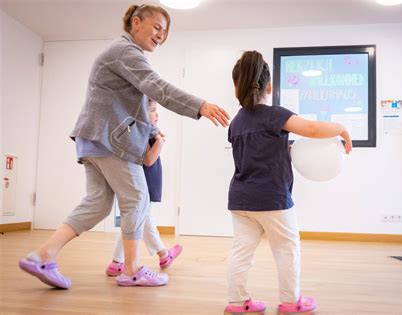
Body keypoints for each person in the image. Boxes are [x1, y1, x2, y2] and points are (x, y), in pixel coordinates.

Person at [19, 4, 229, 289]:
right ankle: (132, 269)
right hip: (107, 140)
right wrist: (200, 105)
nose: (161, 36)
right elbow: (157, 87)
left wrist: (152, 131)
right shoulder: (125, 51)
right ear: (136, 22)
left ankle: (43, 256)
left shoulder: (124, 54)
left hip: (94, 138)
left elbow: (137, 104)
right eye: (157, 28)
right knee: (137, 199)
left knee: (98, 204)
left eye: (165, 32)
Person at [224, 51, 352, 315]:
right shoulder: (274, 115)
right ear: (269, 86)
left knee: (241, 251)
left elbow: (258, 151)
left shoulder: (236, 123)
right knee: (286, 248)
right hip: (272, 199)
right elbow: (313, 130)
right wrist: (341, 128)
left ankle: (237, 304)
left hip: (240, 199)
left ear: (236, 87)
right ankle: (290, 302)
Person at [106, 99, 182, 278]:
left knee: (133, 221)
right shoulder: (144, 133)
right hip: (143, 184)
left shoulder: (141, 131)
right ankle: (163, 254)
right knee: (143, 220)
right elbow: (148, 160)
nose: (157, 114)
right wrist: (159, 143)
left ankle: (117, 262)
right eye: (153, 110)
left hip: (143, 183)